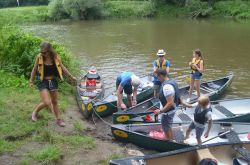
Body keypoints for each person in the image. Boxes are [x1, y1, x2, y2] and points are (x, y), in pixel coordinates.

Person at [29, 42, 76, 127]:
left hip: (53, 81)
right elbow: (35, 69)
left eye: (44, 52)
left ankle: (58, 119)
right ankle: (35, 112)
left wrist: (71, 77)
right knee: (47, 102)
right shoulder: (39, 57)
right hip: (42, 81)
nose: (42, 53)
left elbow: (62, 67)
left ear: (49, 51)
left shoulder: (55, 57)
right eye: (41, 52)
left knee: (54, 102)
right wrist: (31, 81)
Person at [154, 69, 192, 140]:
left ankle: (168, 139)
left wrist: (160, 111)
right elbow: (177, 96)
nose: (157, 79)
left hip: (167, 112)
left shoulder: (167, 87)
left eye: (157, 77)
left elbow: (170, 103)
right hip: (172, 110)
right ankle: (170, 137)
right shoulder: (172, 81)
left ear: (161, 76)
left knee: (166, 125)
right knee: (168, 125)